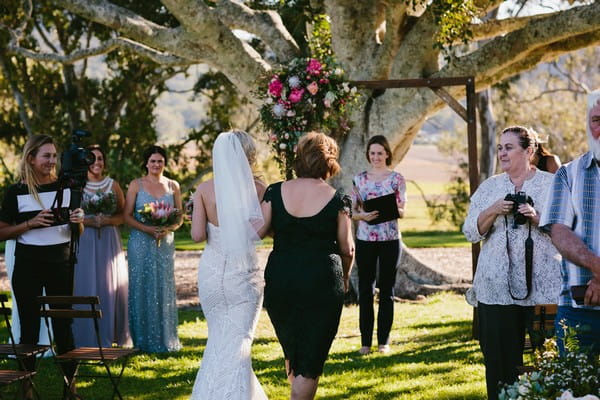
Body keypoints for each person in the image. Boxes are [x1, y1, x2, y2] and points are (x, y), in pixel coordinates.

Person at [463, 126, 561, 400]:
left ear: (529, 151)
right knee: (499, 366)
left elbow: (567, 230)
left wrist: (536, 217)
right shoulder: (490, 186)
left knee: (548, 358)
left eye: (509, 147)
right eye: (500, 147)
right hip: (496, 293)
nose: (502, 153)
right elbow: (470, 231)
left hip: (545, 291)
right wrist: (494, 209)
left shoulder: (551, 184)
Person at [260, 131, 354, 400]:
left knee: (294, 349)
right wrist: (345, 279)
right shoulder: (338, 199)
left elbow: (260, 229)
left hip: (281, 279)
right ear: (329, 162)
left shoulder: (275, 191)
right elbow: (347, 248)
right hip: (321, 280)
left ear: (299, 159)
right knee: (310, 360)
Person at [0, 134, 85, 398]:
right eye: (46, 156)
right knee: (29, 327)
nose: (52, 161)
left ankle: (70, 387)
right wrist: (30, 224)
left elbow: (77, 232)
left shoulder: (67, 187)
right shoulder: (16, 192)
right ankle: (27, 387)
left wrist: (79, 220)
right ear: (31, 158)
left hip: (61, 265)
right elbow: (2, 231)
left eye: (54, 156)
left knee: (64, 326)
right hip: (28, 266)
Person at [189, 130, 267, 399]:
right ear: (249, 155)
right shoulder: (258, 189)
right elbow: (263, 231)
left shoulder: (204, 189)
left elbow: (198, 235)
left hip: (211, 273)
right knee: (239, 343)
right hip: (243, 274)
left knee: (218, 341)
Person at [539, 90, 600, 355]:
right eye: (597, 119)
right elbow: (558, 231)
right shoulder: (568, 174)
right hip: (577, 312)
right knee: (575, 391)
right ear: (587, 124)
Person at [123, 145, 183, 353]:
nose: (156, 165)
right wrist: (147, 228)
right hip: (140, 242)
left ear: (164, 163)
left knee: (162, 286)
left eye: (160, 161)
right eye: (153, 161)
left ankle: (165, 338)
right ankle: (141, 341)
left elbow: (180, 217)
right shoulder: (136, 185)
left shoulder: (173, 185)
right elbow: (126, 216)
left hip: (164, 244)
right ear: (146, 163)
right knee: (141, 286)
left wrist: (168, 228)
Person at [351, 135, 406, 355]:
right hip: (365, 241)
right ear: (368, 155)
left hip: (390, 240)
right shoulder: (359, 179)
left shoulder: (397, 179)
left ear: (387, 155)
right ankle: (365, 343)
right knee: (365, 290)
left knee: (387, 291)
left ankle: (384, 342)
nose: (376, 157)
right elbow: (352, 212)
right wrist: (362, 216)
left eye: (380, 153)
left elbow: (403, 210)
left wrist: (388, 211)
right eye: (372, 153)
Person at [73, 145, 131, 348]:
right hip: (85, 238)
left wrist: (106, 221)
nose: (97, 162)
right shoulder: (78, 185)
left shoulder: (113, 185)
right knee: (86, 282)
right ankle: (85, 335)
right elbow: (72, 216)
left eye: (100, 159)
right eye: (92, 159)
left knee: (109, 284)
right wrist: (89, 222)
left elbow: (123, 215)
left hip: (108, 239)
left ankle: (111, 333)